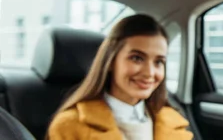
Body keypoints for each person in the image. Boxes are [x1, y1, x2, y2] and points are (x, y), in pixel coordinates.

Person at [47, 14, 192, 140]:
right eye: (136, 58)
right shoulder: (70, 126)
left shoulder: (173, 122)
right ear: (110, 62)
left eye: (158, 62)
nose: (149, 73)